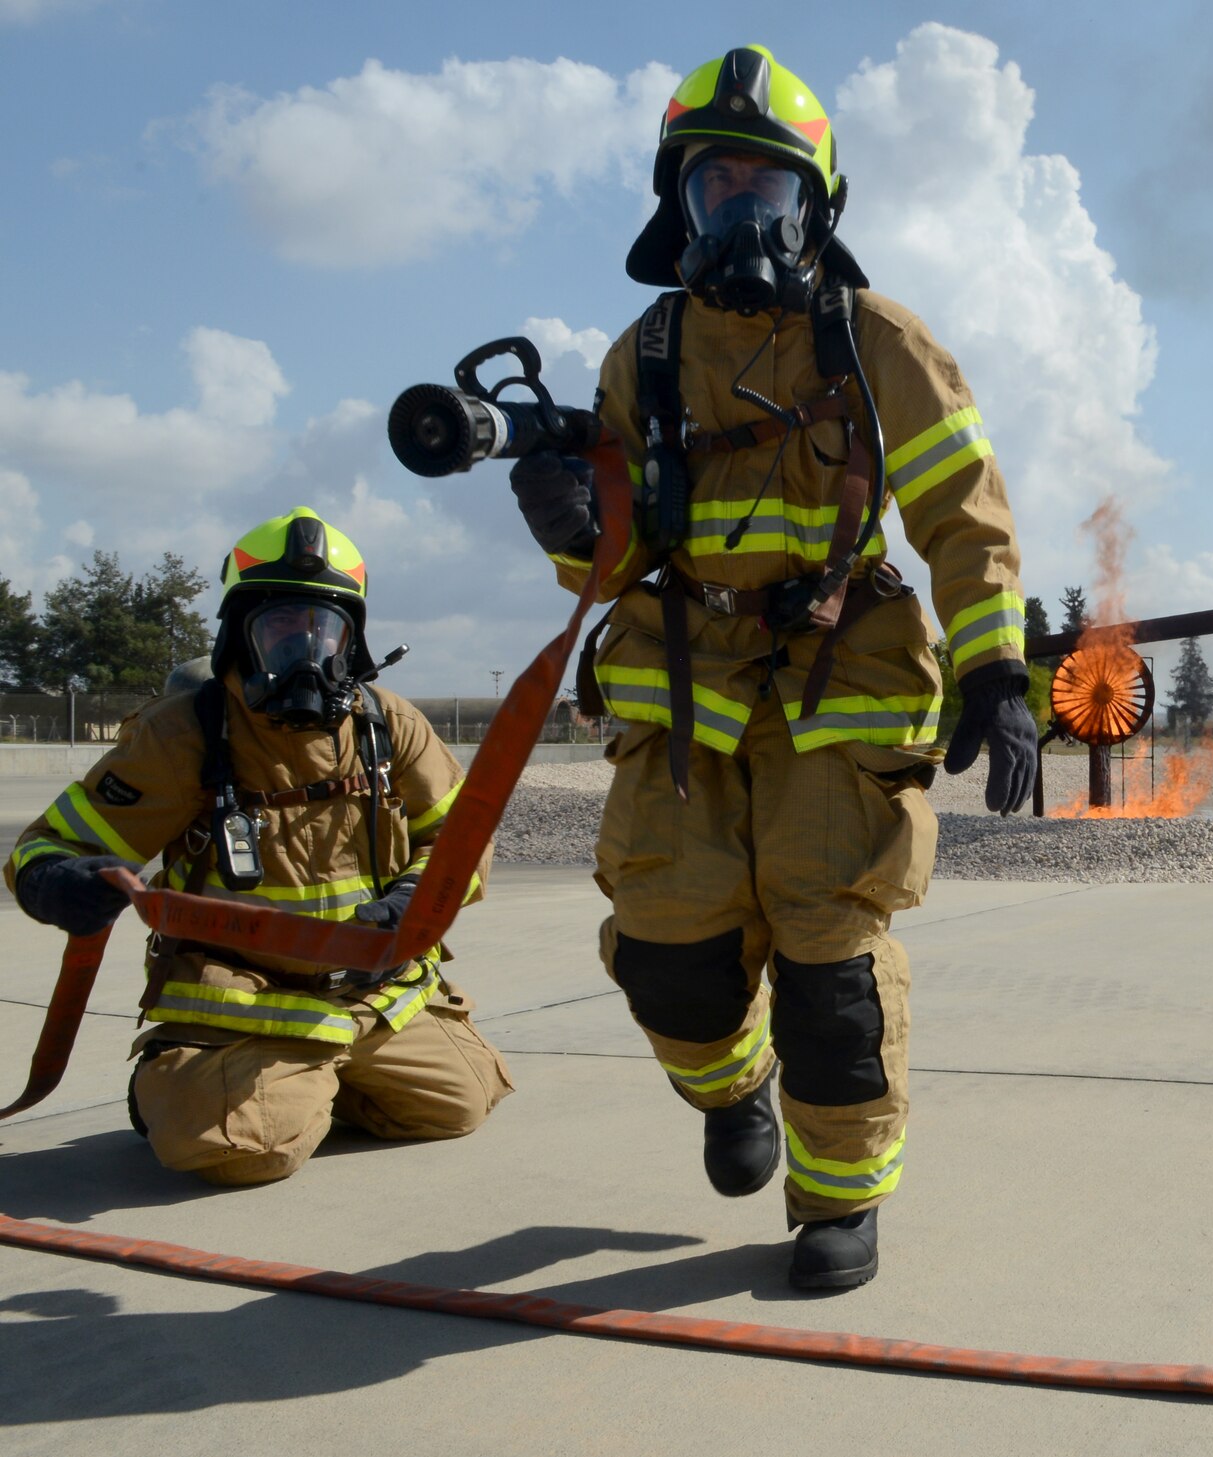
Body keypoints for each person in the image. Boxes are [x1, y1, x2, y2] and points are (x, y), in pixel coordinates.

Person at [508, 44, 1035, 1289]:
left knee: (828, 969)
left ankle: (836, 1199)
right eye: (715, 184)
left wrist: (997, 672)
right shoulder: (641, 354)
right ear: (676, 205)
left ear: (816, 204)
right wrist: (571, 527)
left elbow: (963, 513)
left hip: (834, 683)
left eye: (767, 184)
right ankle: (727, 1086)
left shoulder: (876, 339)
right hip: (682, 693)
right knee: (669, 959)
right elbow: (620, 559)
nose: (741, 205)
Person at [4, 506, 511, 1185]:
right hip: (245, 999)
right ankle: (179, 1084)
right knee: (239, 1151)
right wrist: (58, 882)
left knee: (459, 1100)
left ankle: (305, 1081)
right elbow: (48, 844)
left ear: (350, 637)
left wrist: (415, 898)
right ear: (239, 636)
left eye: (321, 629)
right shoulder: (186, 733)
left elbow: (461, 833)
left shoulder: (388, 725)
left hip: (369, 991)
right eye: (280, 629)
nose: (304, 650)